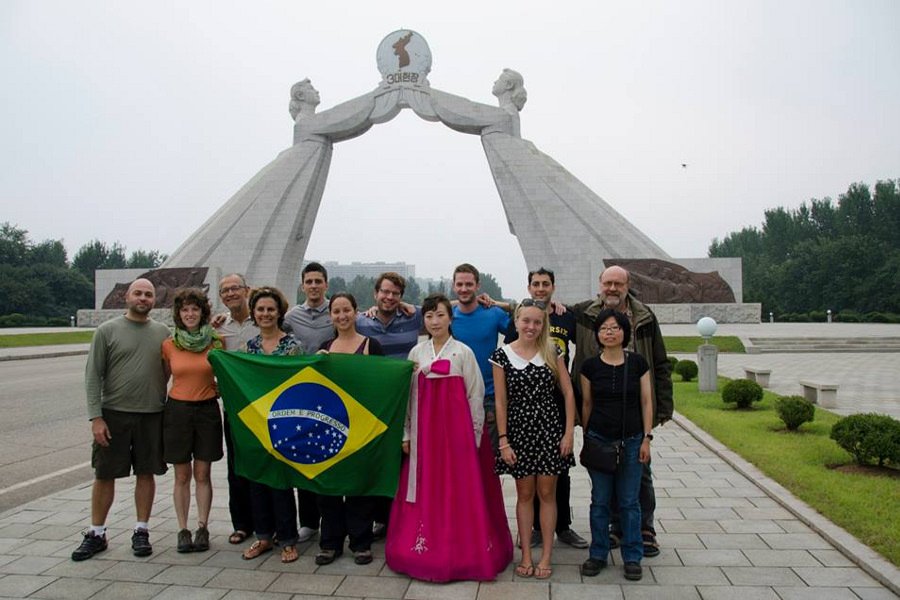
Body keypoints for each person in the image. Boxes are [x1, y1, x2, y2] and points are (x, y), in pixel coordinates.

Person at [386, 294, 513, 581]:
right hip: (424, 438)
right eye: (429, 316)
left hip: (457, 439)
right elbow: (408, 399)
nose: (434, 321)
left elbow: (475, 395)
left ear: (450, 318)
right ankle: (422, 547)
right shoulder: (416, 354)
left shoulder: (463, 353)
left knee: (458, 491)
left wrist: (474, 437)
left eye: (440, 315)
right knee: (427, 489)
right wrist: (406, 433)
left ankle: (462, 550)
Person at [571, 265, 673, 557]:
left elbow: (660, 362)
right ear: (600, 285)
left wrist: (662, 406)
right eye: (608, 283)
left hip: (634, 409)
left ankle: (645, 529)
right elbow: (541, 309)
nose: (612, 288)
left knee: (639, 472)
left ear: (628, 285)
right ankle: (616, 528)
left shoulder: (644, 316)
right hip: (600, 409)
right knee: (604, 468)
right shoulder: (585, 313)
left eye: (618, 283)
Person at [71, 279, 171, 561]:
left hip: (151, 414)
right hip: (113, 414)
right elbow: (93, 376)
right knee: (104, 474)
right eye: (138, 293)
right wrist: (96, 417)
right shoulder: (107, 331)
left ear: (154, 300)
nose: (143, 298)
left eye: (148, 294)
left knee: (146, 472)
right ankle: (97, 532)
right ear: (126, 297)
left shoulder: (162, 332)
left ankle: (141, 530)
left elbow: (166, 371)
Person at [504, 268, 588, 550]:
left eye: (545, 284)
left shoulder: (565, 315)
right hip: (526, 407)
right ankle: (537, 528)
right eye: (536, 284)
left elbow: (585, 345)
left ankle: (562, 526)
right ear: (529, 287)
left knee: (558, 470)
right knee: (529, 472)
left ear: (553, 286)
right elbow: (509, 355)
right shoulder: (520, 315)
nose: (540, 288)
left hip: (557, 405)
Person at [491, 300, 575, 580]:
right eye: (526, 321)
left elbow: (568, 392)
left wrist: (568, 433)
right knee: (525, 495)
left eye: (537, 322)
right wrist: (503, 440)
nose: (531, 326)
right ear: (516, 322)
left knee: (548, 494)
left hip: (550, 431)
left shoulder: (553, 350)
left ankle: (547, 555)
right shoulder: (502, 355)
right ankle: (526, 554)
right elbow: (501, 402)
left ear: (544, 325)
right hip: (519, 433)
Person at [579, 309, 653, 581]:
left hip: (632, 440)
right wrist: (587, 438)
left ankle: (632, 556)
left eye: (615, 328)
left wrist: (647, 437)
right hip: (599, 439)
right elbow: (587, 404)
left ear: (624, 332)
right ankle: (598, 552)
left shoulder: (637, 363)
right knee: (599, 501)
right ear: (597, 334)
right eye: (604, 328)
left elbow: (647, 402)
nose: (609, 332)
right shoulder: (589, 366)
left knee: (629, 501)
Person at [313, 292, 384, 566]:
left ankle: (360, 542)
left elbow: (382, 383)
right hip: (329, 427)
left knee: (358, 487)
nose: (342, 316)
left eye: (346, 310)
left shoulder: (371, 345)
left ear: (356, 312)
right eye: (336, 311)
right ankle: (330, 542)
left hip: (360, 427)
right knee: (328, 486)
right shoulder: (324, 347)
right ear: (330, 315)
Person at [356, 271, 424, 539]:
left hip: (405, 403)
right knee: (376, 460)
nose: (389, 297)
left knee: (401, 462)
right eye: (385, 292)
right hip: (373, 404)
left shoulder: (413, 316)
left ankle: (397, 518)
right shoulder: (361, 321)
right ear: (375, 294)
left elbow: (449, 306)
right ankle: (378, 518)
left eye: (395, 293)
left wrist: (493, 301)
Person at [240, 286, 303, 564]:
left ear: (279, 312)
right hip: (256, 424)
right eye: (260, 309)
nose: (265, 314)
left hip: (283, 423)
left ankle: (288, 539)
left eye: (270, 309)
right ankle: (264, 536)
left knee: (281, 482)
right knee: (257, 481)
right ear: (253, 313)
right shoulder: (249, 348)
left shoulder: (292, 346)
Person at [161, 288, 224, 553]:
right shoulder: (169, 344)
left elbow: (224, 374)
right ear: (179, 314)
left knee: (203, 473)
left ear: (203, 312)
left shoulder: (215, 342)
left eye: (195, 309)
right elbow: (164, 378)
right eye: (185, 309)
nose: (190, 314)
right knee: (182, 474)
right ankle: (182, 529)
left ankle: (202, 526)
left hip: (207, 411)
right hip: (178, 412)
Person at [282, 262, 333, 543]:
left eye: (318, 281)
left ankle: (333, 519)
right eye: (309, 281)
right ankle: (309, 521)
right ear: (303, 285)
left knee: (330, 457)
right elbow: (264, 324)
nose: (313, 286)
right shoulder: (291, 317)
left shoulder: (337, 311)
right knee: (305, 457)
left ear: (326, 284)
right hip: (301, 398)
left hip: (331, 396)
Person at [212, 274, 258, 545]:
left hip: (262, 409)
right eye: (225, 290)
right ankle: (241, 524)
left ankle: (267, 522)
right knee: (236, 466)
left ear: (247, 290)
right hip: (235, 409)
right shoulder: (218, 328)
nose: (231, 293)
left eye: (235, 288)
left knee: (264, 464)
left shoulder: (264, 318)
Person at [450, 264, 511, 449]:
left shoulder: (493, 314)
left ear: (478, 286)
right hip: (456, 396)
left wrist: (502, 304)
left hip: (489, 398)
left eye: (469, 284)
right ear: (453, 286)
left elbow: (525, 326)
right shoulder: (446, 317)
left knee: (488, 461)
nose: (463, 289)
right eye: (459, 284)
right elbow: (420, 311)